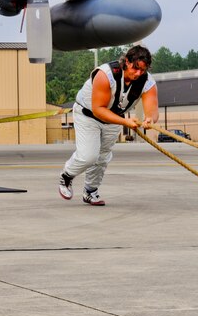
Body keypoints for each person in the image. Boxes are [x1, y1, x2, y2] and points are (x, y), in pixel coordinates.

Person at [58, 45, 158, 206]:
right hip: (89, 115)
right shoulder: (106, 75)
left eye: (143, 70)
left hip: (114, 119)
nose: (138, 73)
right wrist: (126, 122)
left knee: (102, 157)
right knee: (88, 156)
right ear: (127, 61)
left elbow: (153, 110)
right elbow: (98, 110)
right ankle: (66, 176)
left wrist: (150, 120)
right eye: (135, 68)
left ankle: (90, 191)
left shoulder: (147, 82)